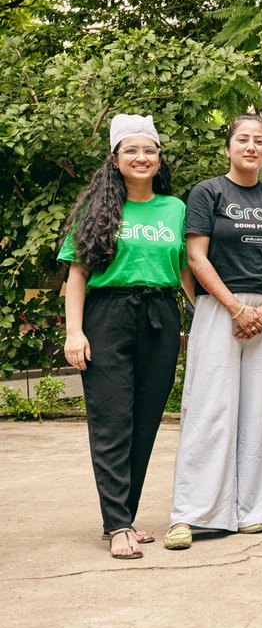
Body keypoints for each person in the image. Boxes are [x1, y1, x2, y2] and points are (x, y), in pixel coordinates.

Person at [59, 114, 193, 559]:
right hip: (107, 315)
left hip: (159, 315)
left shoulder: (174, 209)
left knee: (145, 423)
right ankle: (118, 526)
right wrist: (74, 332)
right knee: (112, 421)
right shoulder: (97, 211)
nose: (141, 157)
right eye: (131, 150)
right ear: (115, 159)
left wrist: (212, 315)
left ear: (159, 158)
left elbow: (186, 272)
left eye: (149, 150)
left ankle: (124, 517)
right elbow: (77, 275)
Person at [164, 114, 262, 550]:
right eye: (242, 139)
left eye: (259, 140)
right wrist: (237, 308)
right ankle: (194, 513)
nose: (251, 147)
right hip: (220, 309)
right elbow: (196, 258)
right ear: (228, 147)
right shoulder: (208, 192)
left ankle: (258, 510)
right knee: (209, 408)